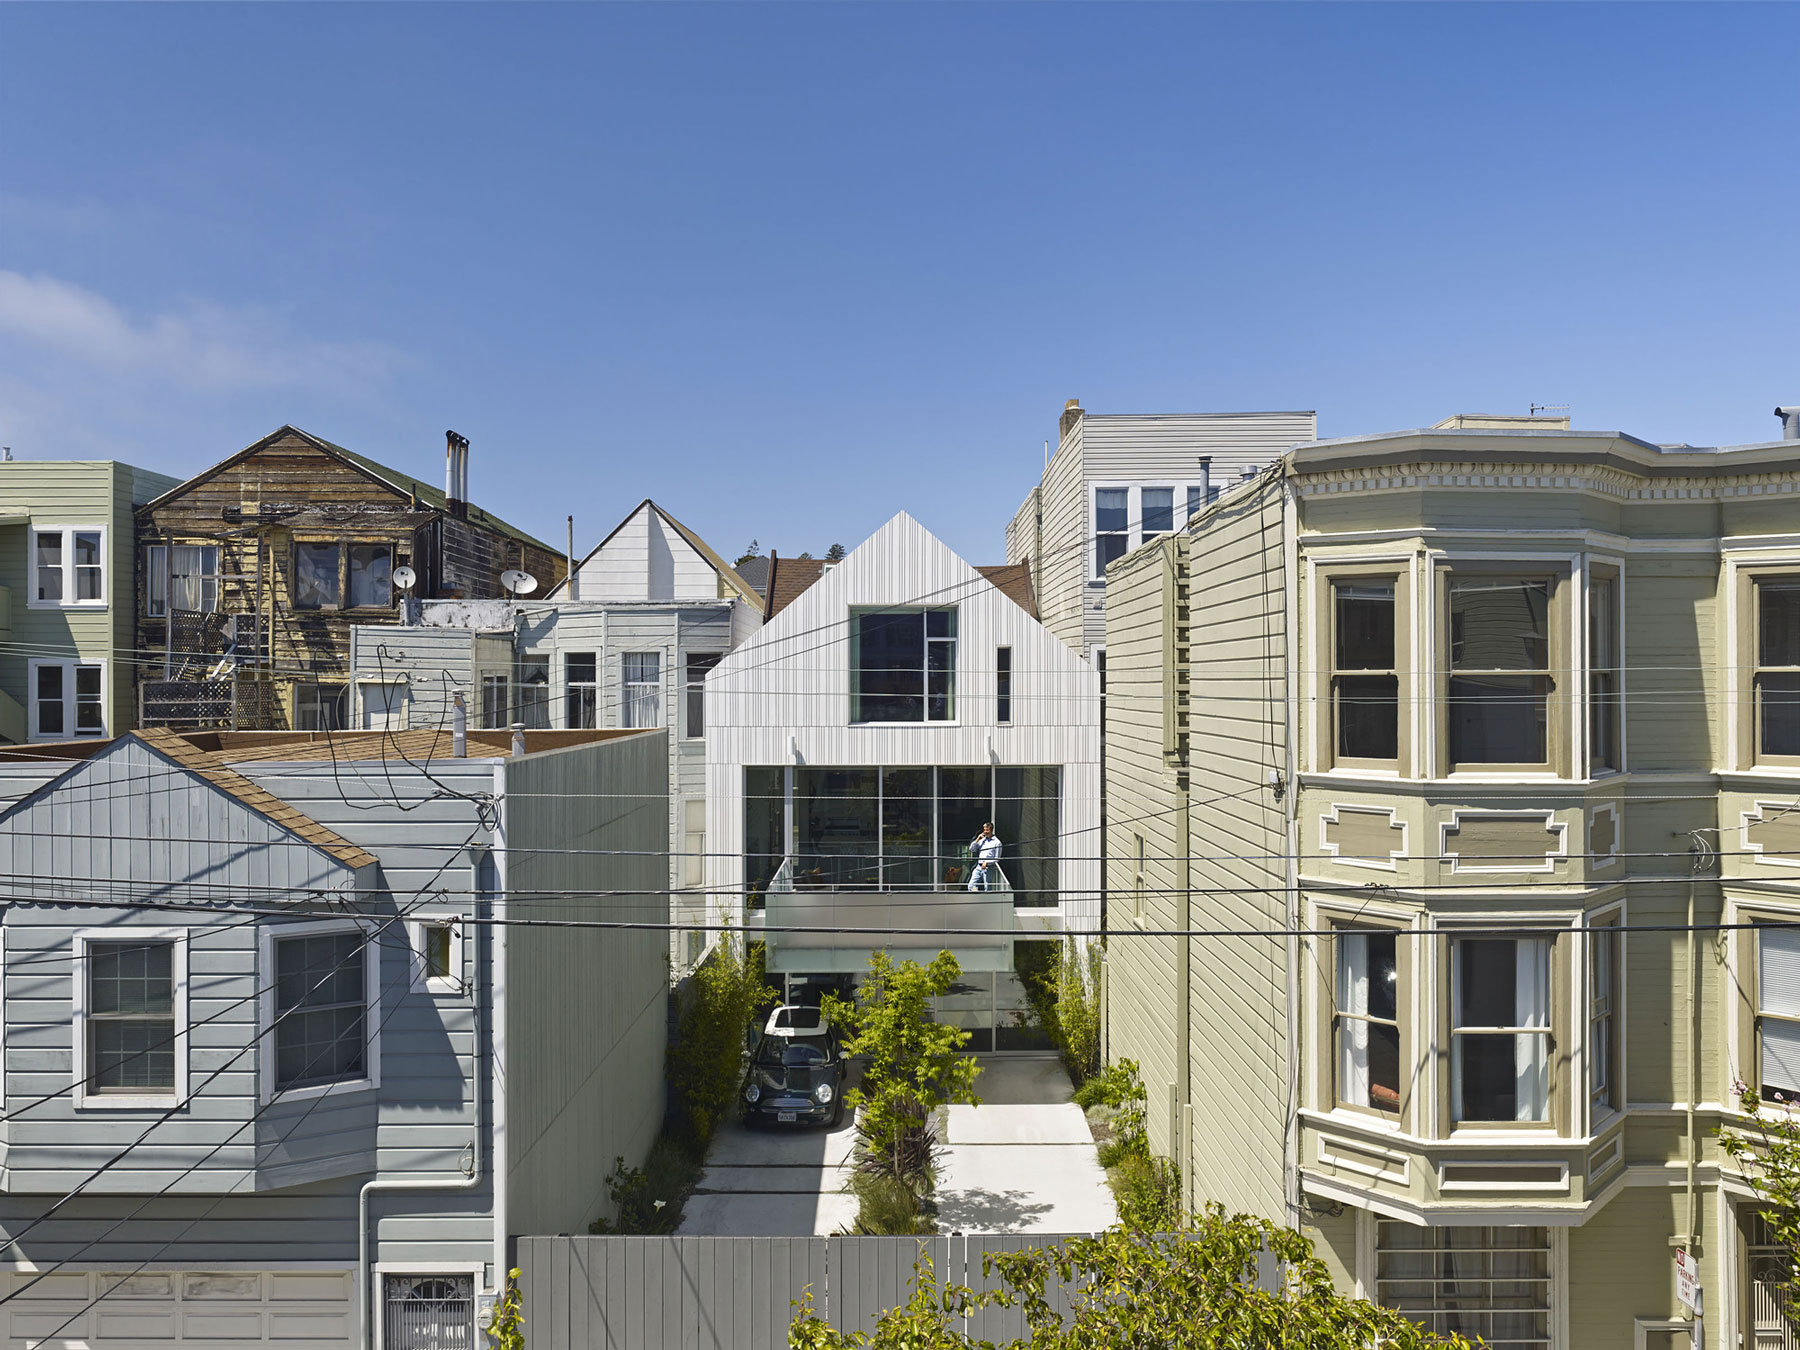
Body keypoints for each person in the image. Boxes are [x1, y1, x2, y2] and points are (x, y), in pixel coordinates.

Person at [967, 822, 1003, 891]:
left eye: (987, 830)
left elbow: (997, 858)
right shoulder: (982, 840)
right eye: (984, 830)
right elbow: (971, 849)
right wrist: (977, 839)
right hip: (978, 866)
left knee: (987, 889)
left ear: (991, 830)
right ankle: (976, 897)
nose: (985, 832)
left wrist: (987, 862)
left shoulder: (997, 842)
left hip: (988, 868)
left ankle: (987, 900)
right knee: (971, 886)